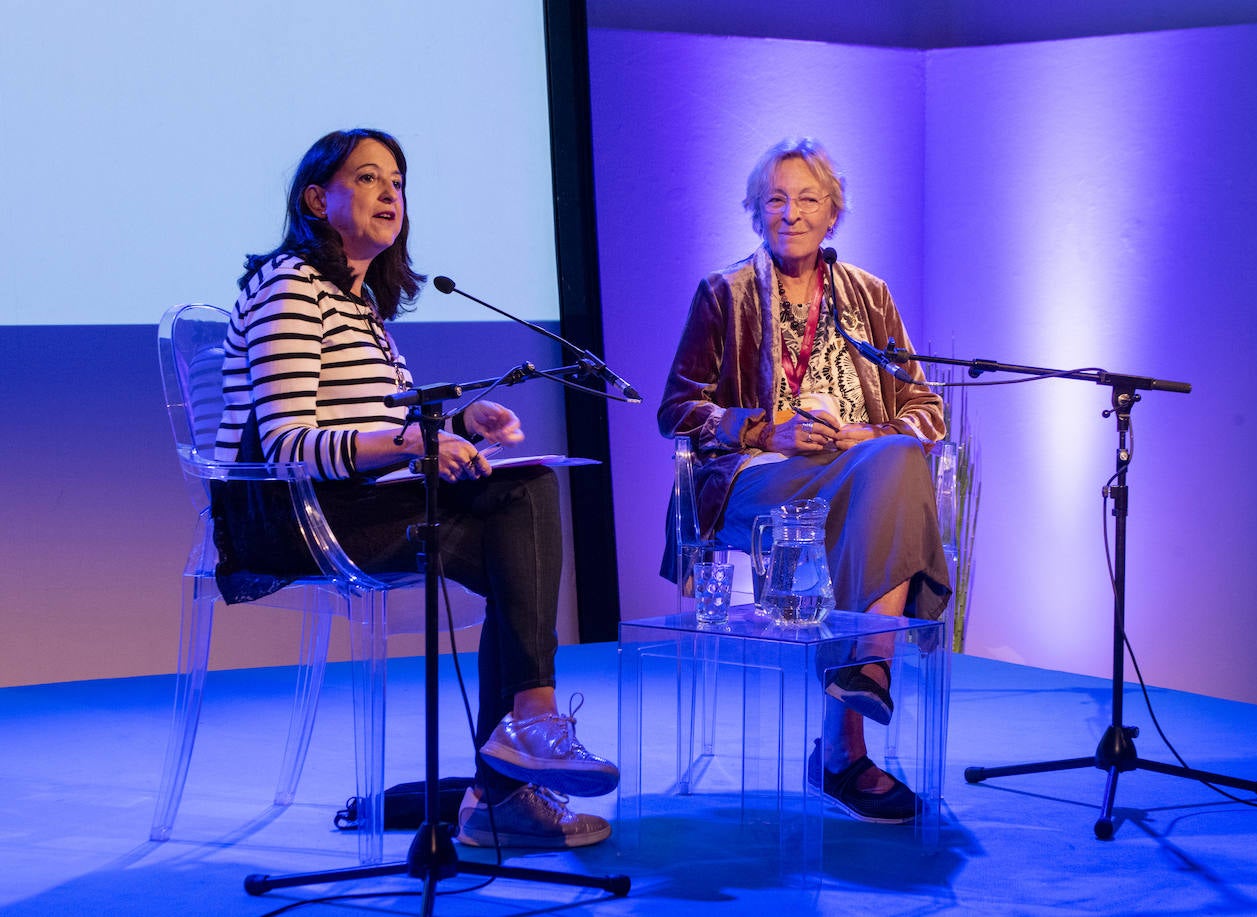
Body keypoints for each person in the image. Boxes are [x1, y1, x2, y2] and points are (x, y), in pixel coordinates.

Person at [214, 128, 617, 848]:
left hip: (357, 501)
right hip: (294, 516)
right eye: (368, 178)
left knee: (522, 498)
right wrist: (415, 443)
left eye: (397, 182)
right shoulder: (290, 286)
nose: (390, 194)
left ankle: (516, 756)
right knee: (517, 532)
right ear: (317, 199)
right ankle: (513, 764)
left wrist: (460, 422)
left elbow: (379, 421)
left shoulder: (358, 301)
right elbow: (289, 446)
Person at [658, 137, 951, 824]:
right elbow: (677, 409)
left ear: (833, 213)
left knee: (894, 460)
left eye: (807, 199)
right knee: (886, 486)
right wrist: (767, 430)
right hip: (757, 479)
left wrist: (867, 435)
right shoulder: (724, 293)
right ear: (756, 212)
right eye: (776, 200)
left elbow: (926, 409)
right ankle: (851, 724)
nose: (791, 213)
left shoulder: (869, 295)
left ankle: (865, 671)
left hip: (858, 473)